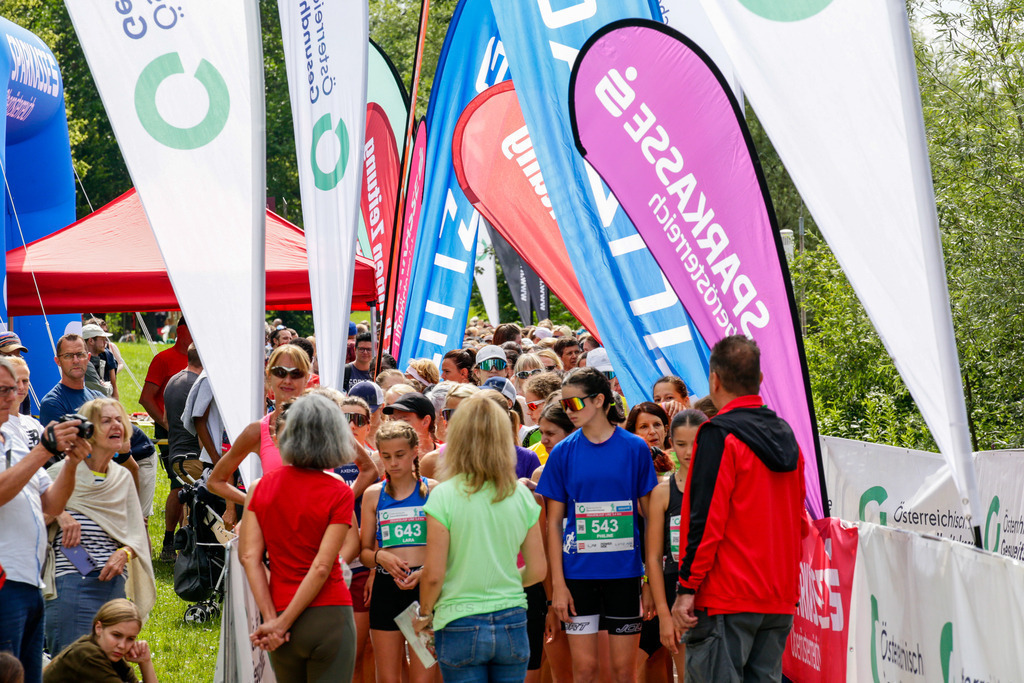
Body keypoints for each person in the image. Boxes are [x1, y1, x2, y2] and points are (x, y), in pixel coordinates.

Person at [670, 336, 805, 682]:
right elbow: (800, 523)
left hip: (726, 597)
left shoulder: (717, 435)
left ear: (714, 380)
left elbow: (705, 520)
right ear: (760, 380)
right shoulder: (786, 434)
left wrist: (686, 588)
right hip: (778, 598)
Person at [536, 367, 657, 683]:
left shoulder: (635, 448)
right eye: (564, 405)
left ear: (600, 400)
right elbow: (553, 524)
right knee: (585, 671)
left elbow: (649, 518)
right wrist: (558, 587)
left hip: (625, 575)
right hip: (578, 578)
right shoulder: (563, 452)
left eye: (574, 404)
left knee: (623, 672)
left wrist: (649, 579)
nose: (568, 411)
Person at [416, 395, 545, 682]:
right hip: (512, 617)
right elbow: (538, 570)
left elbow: (434, 574)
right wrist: (502, 581)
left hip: (458, 618)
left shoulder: (444, 495)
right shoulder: (521, 494)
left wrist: (425, 614)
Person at [239, 393, 357, 681]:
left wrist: (273, 620)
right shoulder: (339, 490)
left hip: (278, 610)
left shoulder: (259, 487)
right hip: (328, 613)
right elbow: (321, 567)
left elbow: (249, 557)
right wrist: (282, 623)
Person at [0, 357, 91, 683]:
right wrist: (43, 450)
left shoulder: (11, 436)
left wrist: (70, 462)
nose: (12, 397)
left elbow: (51, 501)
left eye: (14, 389)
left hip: (29, 579)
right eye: (3, 390)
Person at [43, 398, 156, 657]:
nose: (116, 425)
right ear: (88, 431)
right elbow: (35, 519)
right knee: (72, 664)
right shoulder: (61, 472)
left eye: (119, 420)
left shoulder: (123, 478)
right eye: (106, 421)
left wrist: (125, 553)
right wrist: (59, 513)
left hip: (113, 585)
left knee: (108, 666)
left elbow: (138, 535)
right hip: (70, 582)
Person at [360, 421, 437, 683]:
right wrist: (381, 556)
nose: (393, 462)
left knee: (423, 676)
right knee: (388, 677)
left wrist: (426, 572)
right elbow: (364, 552)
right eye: (386, 456)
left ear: (415, 451)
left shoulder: (435, 491)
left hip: (424, 589)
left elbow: (451, 548)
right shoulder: (373, 494)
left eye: (400, 455)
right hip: (386, 586)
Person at [641, 409, 708, 682]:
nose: (689, 452)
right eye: (681, 444)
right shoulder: (662, 493)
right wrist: (665, 616)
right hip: (675, 592)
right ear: (670, 442)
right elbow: (654, 557)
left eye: (697, 443)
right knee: (691, 675)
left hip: (719, 593)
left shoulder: (725, 485)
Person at [207, 344, 311, 508]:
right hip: (275, 527)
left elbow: (366, 468)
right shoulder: (258, 431)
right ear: (269, 376)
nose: (287, 380)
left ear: (307, 378)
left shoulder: (325, 423)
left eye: (296, 373)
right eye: (280, 372)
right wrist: (256, 504)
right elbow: (215, 482)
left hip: (318, 528)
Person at [157, 344, 204, 562]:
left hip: (176, 453)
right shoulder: (199, 385)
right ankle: (189, 556)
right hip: (194, 456)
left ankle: (170, 545)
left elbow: (165, 420)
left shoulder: (173, 381)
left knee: (179, 494)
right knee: (194, 505)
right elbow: (201, 423)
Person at [43, 599, 158, 683]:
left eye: (130, 639)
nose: (122, 645)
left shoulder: (114, 660)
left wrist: (145, 662)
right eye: (116, 635)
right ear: (98, 628)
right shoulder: (87, 655)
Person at [138, 319, 191, 463]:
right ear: (180, 331)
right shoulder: (163, 359)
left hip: (195, 428)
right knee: (178, 477)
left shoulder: (202, 360)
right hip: (171, 429)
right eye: (191, 328)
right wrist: (167, 425)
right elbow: (146, 398)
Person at [38, 334, 105, 427]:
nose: (76, 361)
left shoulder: (99, 397)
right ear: (58, 361)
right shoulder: (53, 403)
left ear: (88, 358)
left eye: (80, 354)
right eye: (68, 356)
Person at [625, 403, 675, 474]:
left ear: (666, 430)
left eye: (657, 425)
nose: (652, 431)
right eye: (644, 427)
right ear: (634, 434)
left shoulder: (683, 460)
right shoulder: (629, 468)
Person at [82, 323, 118, 400]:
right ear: (91, 341)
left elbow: (114, 387)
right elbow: (103, 391)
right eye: (102, 339)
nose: (105, 342)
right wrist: (107, 386)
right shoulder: (83, 363)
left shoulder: (106, 356)